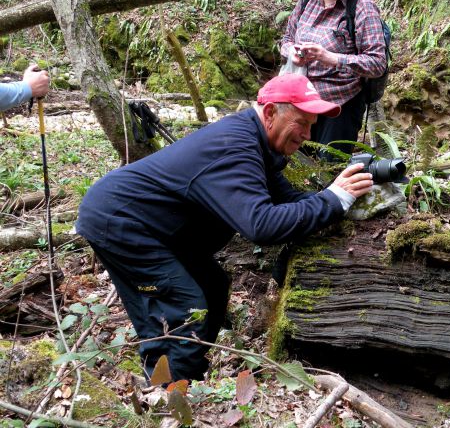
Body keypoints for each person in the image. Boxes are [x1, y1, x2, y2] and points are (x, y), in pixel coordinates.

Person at [75, 73, 374, 382]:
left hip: (155, 226)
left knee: (212, 286)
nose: (308, 135)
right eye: (303, 123)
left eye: (313, 125)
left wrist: (345, 199)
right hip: (122, 221)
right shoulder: (235, 146)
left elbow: (291, 201)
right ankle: (167, 397)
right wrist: (334, 199)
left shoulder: (255, 143)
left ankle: (188, 380)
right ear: (270, 112)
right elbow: (262, 225)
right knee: (184, 307)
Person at [280, 0, 386, 155]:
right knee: (295, 167)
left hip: (339, 106)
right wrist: (292, 51)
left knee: (328, 169)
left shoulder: (362, 6)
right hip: (300, 101)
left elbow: (377, 63)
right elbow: (286, 39)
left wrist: (331, 58)